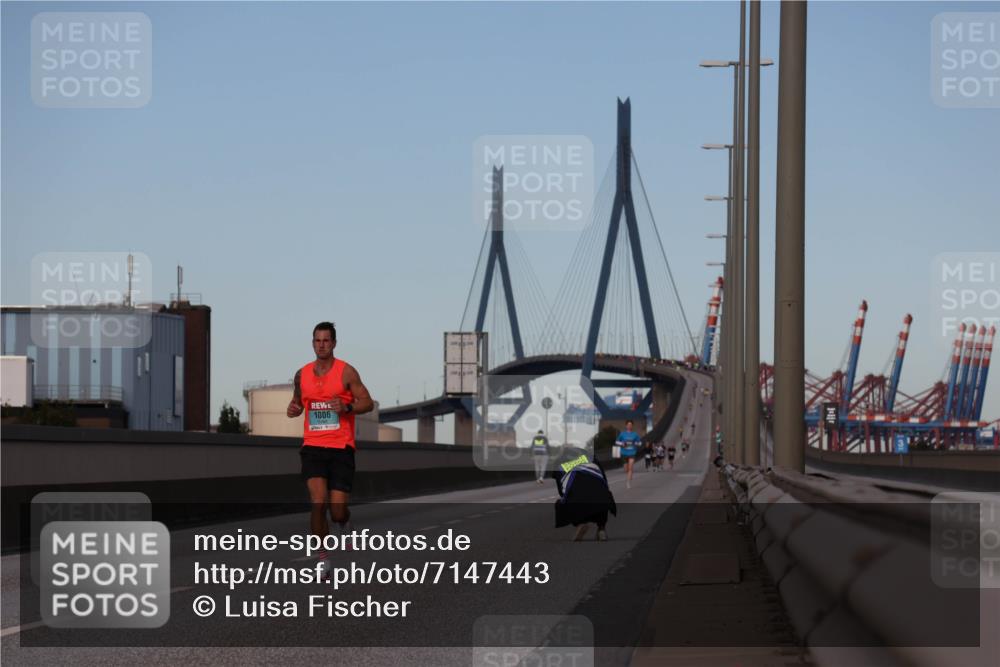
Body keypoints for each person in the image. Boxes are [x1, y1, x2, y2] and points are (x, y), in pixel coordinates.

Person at [287, 322, 374, 574]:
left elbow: (367, 402)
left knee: (336, 511)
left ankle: (344, 522)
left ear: (334, 343)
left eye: (326, 340)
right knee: (317, 502)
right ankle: (323, 559)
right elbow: (296, 404)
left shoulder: (346, 372)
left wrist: (347, 407)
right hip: (313, 446)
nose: (321, 345)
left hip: (341, 447)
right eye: (317, 340)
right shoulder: (301, 374)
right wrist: (293, 410)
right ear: (312, 343)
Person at [550, 447, 616, 541]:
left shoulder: (559, 463)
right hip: (600, 499)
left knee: (563, 502)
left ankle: (580, 523)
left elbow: (561, 491)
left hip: (578, 502)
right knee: (603, 495)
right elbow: (604, 481)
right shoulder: (592, 458)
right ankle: (601, 529)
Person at [615, 420, 642, 489]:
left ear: (632, 426)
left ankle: (628, 482)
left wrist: (636, 443)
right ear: (626, 426)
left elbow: (640, 443)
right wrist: (622, 444)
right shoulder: (622, 434)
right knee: (626, 469)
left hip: (632, 452)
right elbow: (617, 442)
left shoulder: (635, 434)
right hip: (624, 453)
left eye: (631, 425)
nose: (629, 426)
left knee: (630, 468)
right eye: (628, 425)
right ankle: (629, 475)